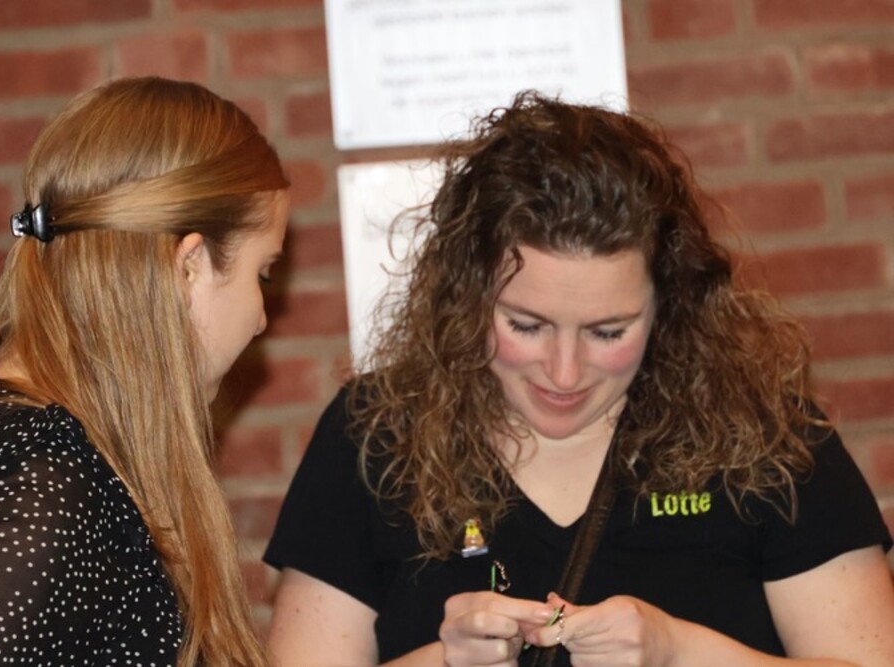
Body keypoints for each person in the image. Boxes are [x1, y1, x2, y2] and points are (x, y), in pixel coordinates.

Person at [263, 91, 894, 667]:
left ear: (668, 306)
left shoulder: (765, 437)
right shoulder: (372, 434)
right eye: (526, 325)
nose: (564, 373)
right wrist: (444, 662)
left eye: (608, 332)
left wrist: (681, 652)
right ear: (468, 294)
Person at [0, 76, 289, 666]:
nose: (261, 319)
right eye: (263, 273)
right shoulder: (43, 478)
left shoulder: (13, 442)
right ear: (189, 265)